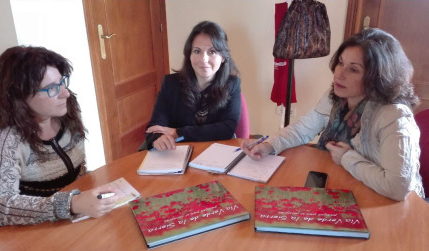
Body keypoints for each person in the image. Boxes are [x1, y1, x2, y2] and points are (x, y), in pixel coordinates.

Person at [242, 28, 424, 201]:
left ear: (377, 77)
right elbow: (301, 131)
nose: (339, 74)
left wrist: (347, 158)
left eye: (353, 69)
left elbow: (398, 188)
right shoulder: (336, 97)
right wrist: (269, 145)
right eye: (340, 63)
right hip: (348, 186)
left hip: (392, 206)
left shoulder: (394, 116)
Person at [0, 46, 119, 239]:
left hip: (63, 221)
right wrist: (71, 204)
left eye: (62, 82)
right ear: (19, 97)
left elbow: (75, 170)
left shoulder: (67, 111)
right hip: (16, 233)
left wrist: (85, 196)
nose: (65, 93)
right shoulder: (3, 136)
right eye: (52, 88)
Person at [144, 21, 241, 151]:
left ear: (223, 57)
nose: (203, 60)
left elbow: (227, 129)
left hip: (215, 155)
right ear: (189, 55)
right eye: (197, 51)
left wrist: (178, 132)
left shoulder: (232, 84)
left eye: (212, 52)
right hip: (176, 154)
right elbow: (154, 127)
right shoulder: (170, 83)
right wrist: (158, 138)